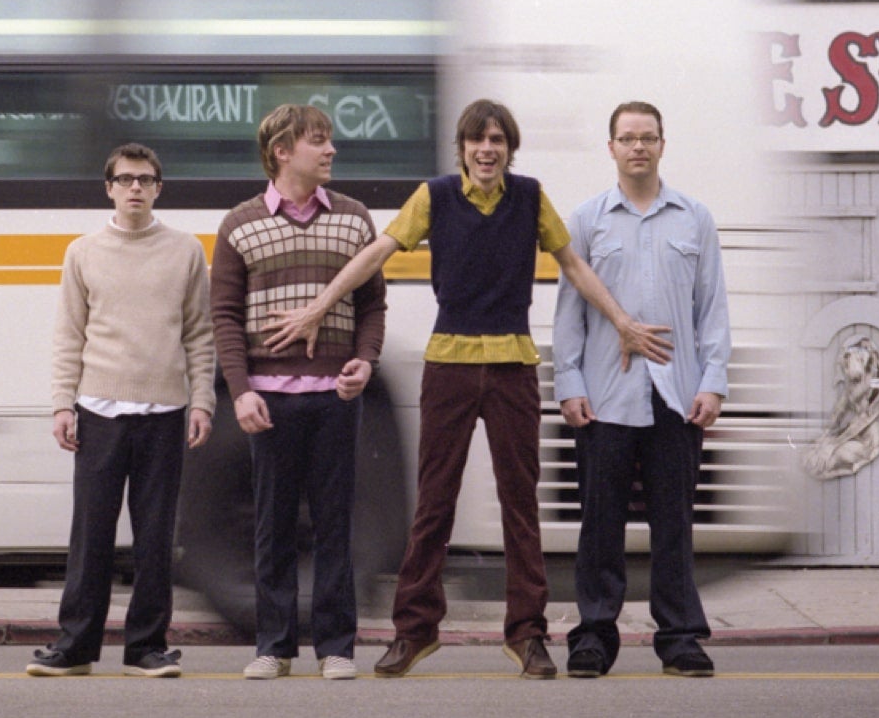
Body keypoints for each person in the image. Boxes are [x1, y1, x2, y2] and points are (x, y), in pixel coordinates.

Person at [266, 100, 670, 679]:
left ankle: (527, 635)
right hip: (449, 365)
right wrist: (319, 307)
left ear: (509, 148)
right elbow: (378, 252)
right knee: (434, 503)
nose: (488, 149)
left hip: (513, 367)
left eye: (498, 140)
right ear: (461, 148)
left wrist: (623, 322)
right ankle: (415, 631)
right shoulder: (434, 197)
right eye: (478, 140)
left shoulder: (530, 197)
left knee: (519, 506)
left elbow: (574, 266)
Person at [552, 101, 730, 679]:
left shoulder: (695, 218)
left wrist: (714, 382)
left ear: (661, 144)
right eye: (627, 138)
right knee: (599, 522)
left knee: (673, 522)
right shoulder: (587, 220)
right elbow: (569, 313)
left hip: (676, 393)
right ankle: (595, 636)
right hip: (607, 393)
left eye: (648, 138)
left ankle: (679, 638)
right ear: (610, 147)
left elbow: (713, 309)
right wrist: (569, 382)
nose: (638, 148)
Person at [212, 104, 387, 682]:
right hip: (268, 400)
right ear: (283, 151)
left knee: (336, 523)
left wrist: (365, 361)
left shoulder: (356, 220)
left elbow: (372, 306)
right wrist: (240, 392)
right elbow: (225, 317)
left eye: (330, 140)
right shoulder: (239, 225)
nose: (332, 150)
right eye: (319, 141)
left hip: (336, 399)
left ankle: (337, 647)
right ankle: (274, 645)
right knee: (273, 524)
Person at [30, 143, 215, 678]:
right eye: (126, 178)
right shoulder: (82, 252)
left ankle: (146, 648)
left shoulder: (185, 251)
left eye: (146, 179)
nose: (135, 187)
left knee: (156, 535)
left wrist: (202, 400)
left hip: (164, 411)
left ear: (160, 189)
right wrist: (62, 404)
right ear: (108, 187)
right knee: (91, 533)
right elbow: (69, 335)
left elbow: (200, 335)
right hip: (97, 411)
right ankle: (76, 645)